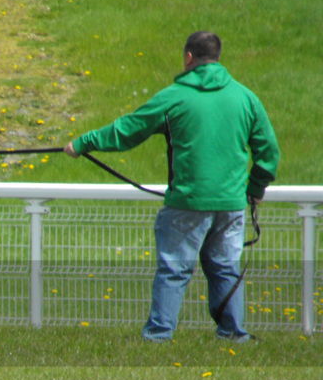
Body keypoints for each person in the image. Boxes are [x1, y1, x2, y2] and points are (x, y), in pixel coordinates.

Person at [64, 31, 280, 341]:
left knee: (174, 270)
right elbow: (269, 153)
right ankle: (233, 334)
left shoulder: (174, 96)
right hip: (231, 204)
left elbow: (128, 130)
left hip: (186, 203)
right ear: (218, 57)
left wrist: (84, 143)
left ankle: (159, 335)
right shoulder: (245, 98)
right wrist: (256, 189)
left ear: (189, 57)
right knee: (225, 269)